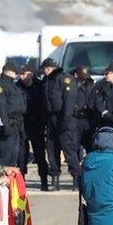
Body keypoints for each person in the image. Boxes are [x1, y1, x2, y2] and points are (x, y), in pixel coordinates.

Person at [42, 58, 81, 191]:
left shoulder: (65, 79)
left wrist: (65, 121)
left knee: (69, 149)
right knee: (52, 150)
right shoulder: (47, 81)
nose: (44, 71)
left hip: (65, 118)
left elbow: (69, 102)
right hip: (51, 118)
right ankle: (55, 179)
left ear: (49, 68)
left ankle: (76, 179)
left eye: (46, 69)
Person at [0, 63, 26, 168]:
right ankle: (2, 182)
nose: (16, 76)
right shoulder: (0, 86)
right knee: (5, 157)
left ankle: (10, 182)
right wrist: (5, 126)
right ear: (9, 72)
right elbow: (0, 109)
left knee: (13, 158)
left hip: (16, 125)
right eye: (15, 73)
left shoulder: (12, 86)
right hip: (7, 125)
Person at [18, 65, 50, 190]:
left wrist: (43, 122)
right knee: (22, 155)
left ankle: (44, 180)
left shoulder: (40, 86)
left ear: (30, 74)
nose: (22, 77)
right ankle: (21, 181)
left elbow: (45, 105)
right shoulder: (17, 86)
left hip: (37, 123)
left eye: (24, 74)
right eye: (21, 75)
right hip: (23, 123)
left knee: (40, 154)